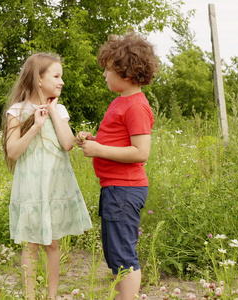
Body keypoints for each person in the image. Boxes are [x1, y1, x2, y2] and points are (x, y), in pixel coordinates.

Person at [1, 52, 92, 300]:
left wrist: (51, 112)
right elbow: (13, 151)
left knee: (52, 243)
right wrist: (36, 128)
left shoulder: (59, 109)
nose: (61, 81)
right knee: (30, 245)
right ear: (39, 79)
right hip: (31, 187)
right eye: (56, 76)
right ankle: (31, 296)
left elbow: (67, 144)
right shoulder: (17, 111)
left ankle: (52, 296)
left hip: (54, 186)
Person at [75, 31, 158, 300]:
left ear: (126, 73)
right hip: (113, 188)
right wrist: (94, 140)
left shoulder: (136, 106)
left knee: (124, 255)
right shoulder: (121, 102)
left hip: (124, 190)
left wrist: (99, 149)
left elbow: (140, 152)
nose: (104, 75)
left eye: (108, 70)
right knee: (114, 254)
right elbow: (118, 142)